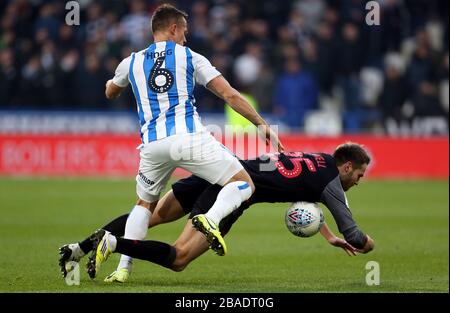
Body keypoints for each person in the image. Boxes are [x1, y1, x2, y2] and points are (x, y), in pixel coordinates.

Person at [63, 4, 284, 280]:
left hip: (152, 146)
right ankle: (211, 219)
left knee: (144, 206)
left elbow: (110, 91)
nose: (186, 38)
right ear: (173, 28)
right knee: (244, 183)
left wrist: (115, 82)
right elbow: (231, 95)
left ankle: (123, 268)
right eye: (184, 32)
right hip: (189, 139)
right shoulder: (190, 57)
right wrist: (263, 126)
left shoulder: (130, 62)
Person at [59, 142, 375, 283]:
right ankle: (114, 244)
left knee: (147, 215)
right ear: (347, 166)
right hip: (233, 192)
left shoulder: (317, 160)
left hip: (222, 170)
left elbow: (308, 195)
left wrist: (327, 234)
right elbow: (357, 237)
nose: (358, 182)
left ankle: (79, 248)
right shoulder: (333, 183)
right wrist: (367, 244)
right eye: (359, 175)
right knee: (180, 257)